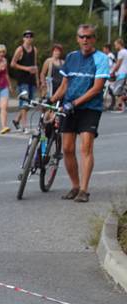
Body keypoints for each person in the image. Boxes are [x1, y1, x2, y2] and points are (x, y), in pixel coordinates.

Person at [49, 24, 110, 203]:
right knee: (67, 148)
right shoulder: (71, 57)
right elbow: (65, 85)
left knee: (86, 147)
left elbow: (97, 88)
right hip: (69, 107)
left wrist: (74, 103)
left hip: (90, 108)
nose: (85, 40)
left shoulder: (101, 59)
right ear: (77, 39)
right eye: (82, 37)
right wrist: (51, 100)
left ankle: (84, 190)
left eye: (89, 37)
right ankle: (75, 186)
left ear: (94, 39)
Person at [11, 30, 40, 133]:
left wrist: (37, 80)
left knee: (30, 103)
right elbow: (13, 64)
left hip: (31, 79)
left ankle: (16, 120)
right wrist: (26, 68)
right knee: (24, 102)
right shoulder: (20, 49)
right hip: (22, 79)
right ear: (23, 38)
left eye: (30, 37)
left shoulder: (34, 50)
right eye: (26, 36)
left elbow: (35, 65)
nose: (28, 38)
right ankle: (25, 126)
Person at [111, 38, 127, 112]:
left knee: (116, 91)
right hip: (125, 73)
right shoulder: (126, 51)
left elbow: (118, 64)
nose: (115, 46)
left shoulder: (121, 52)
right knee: (122, 90)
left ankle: (120, 106)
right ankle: (121, 106)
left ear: (119, 44)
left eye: (115, 45)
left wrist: (113, 71)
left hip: (121, 73)